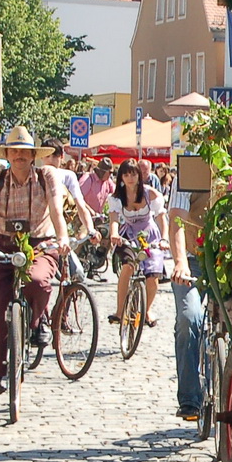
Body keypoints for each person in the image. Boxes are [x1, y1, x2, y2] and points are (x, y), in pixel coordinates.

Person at [0, 126, 68, 394]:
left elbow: (57, 210)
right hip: (2, 244)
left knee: (37, 281)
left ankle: (38, 321)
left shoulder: (47, 176)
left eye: (25, 152)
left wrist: (63, 237)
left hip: (39, 243)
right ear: (8, 154)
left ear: (34, 155)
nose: (19, 156)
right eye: (14, 151)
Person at [107, 159, 165, 327]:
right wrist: (114, 234)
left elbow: (161, 217)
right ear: (121, 178)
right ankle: (119, 311)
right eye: (126, 174)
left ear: (139, 176)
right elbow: (114, 219)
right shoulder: (117, 197)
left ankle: (147, 310)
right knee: (128, 266)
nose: (130, 178)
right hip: (129, 234)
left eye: (133, 174)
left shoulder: (150, 193)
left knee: (153, 273)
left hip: (149, 234)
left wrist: (164, 238)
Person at [166, 176, 205, 422]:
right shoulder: (189, 169)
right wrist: (180, 262)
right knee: (189, 318)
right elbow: (177, 220)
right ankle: (190, 398)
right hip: (193, 261)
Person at [45, 142, 98, 280]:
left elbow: (80, 205)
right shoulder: (36, 173)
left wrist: (90, 229)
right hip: (41, 233)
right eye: (46, 156)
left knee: (77, 274)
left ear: (61, 157)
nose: (50, 160)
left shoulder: (67, 176)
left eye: (54, 156)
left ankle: (66, 299)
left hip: (61, 231)